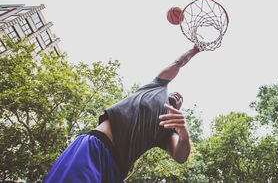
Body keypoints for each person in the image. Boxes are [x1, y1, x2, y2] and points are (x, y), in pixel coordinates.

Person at [44, 45, 201, 182]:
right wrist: (194, 50)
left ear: (179, 108)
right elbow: (177, 64)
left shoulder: (169, 129)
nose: (178, 95)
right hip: (96, 147)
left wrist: (184, 133)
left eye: (181, 99)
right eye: (176, 93)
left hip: (116, 171)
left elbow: (180, 157)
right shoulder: (156, 87)